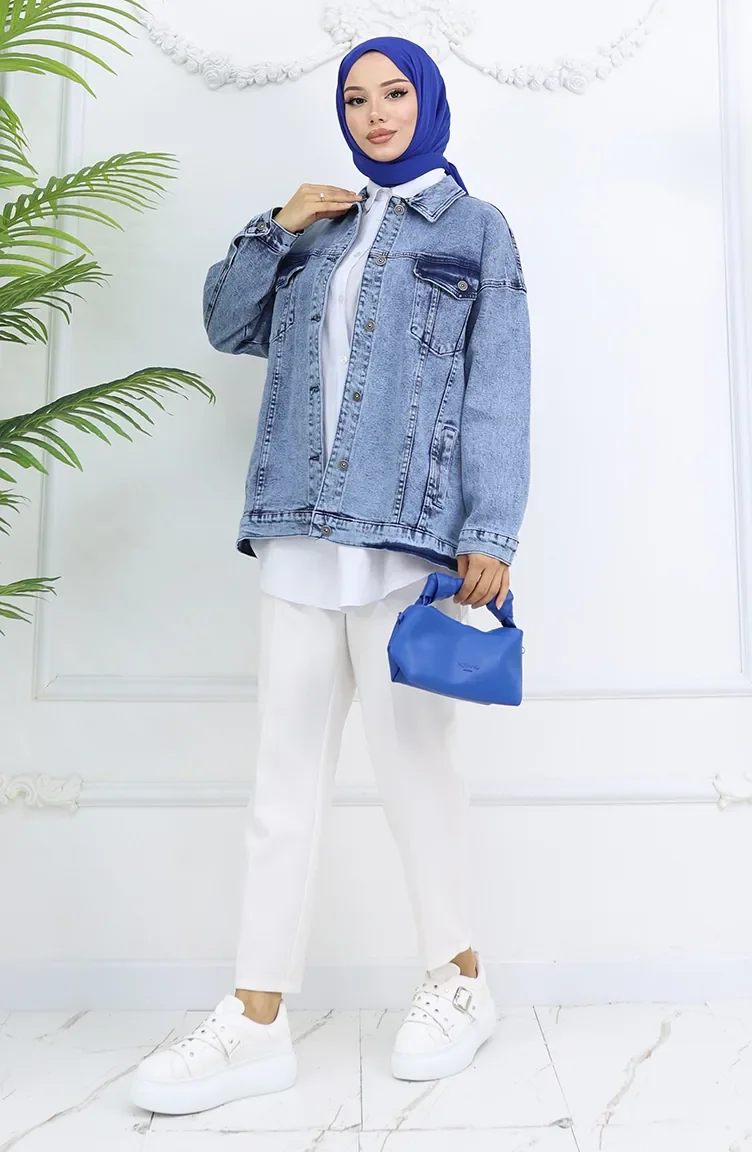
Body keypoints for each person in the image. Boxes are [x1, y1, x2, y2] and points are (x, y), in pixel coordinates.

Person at [130, 33, 530, 1115]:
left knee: (415, 778)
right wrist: (276, 227)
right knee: (282, 785)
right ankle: (256, 1020)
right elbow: (227, 323)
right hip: (299, 532)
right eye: (356, 98)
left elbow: (499, 386)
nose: (376, 113)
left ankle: (461, 981)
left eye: (395, 93)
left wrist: (491, 529)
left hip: (409, 544)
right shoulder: (322, 227)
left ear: (427, 102)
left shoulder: (477, 230)